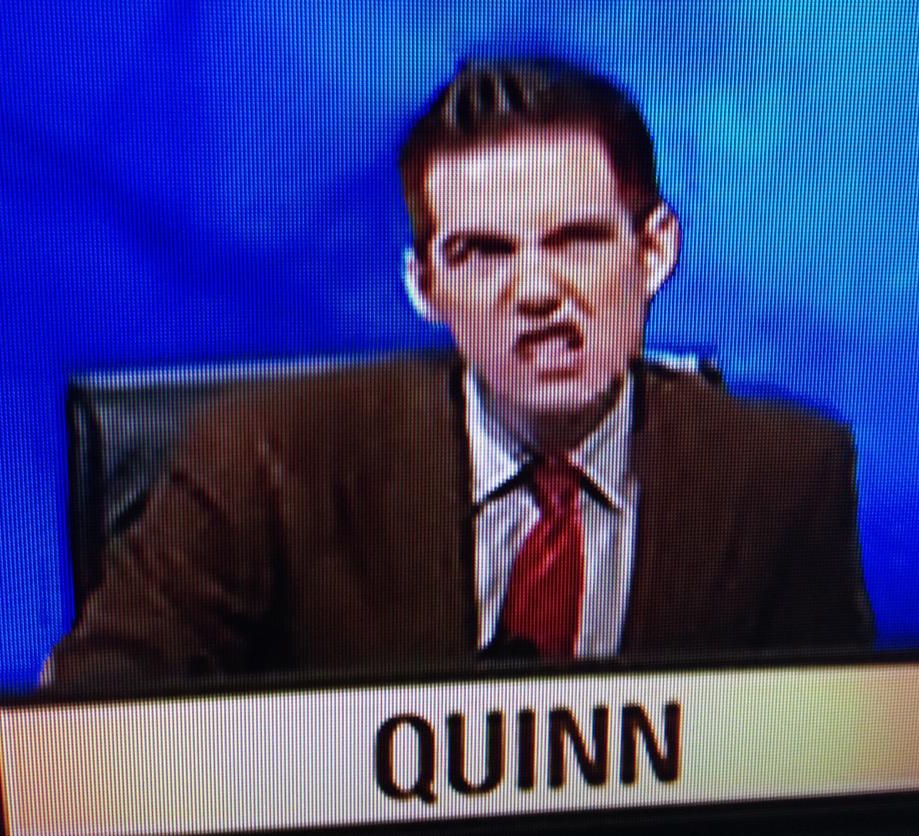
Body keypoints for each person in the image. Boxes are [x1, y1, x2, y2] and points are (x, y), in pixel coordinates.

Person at [45, 57, 874, 688]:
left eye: (577, 240)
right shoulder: (268, 459)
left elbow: (842, 775)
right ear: (426, 287)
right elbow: (89, 734)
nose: (536, 292)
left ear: (653, 251)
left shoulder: (782, 475)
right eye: (482, 253)